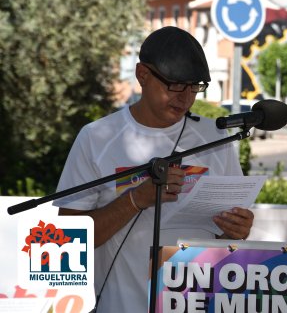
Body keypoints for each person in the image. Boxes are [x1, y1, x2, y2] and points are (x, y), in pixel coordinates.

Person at [53, 26, 254, 312]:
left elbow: (226, 240)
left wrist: (236, 232)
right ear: (142, 75)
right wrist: (135, 200)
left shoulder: (217, 138)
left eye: (194, 86)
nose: (185, 97)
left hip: (194, 304)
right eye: (175, 84)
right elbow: (67, 242)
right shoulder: (97, 137)